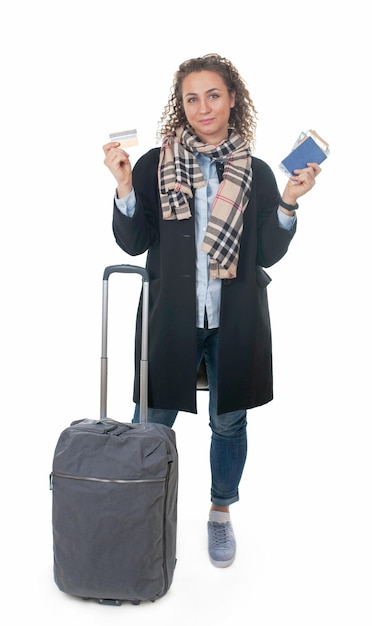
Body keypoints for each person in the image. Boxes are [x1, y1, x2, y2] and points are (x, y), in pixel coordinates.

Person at [103, 53, 321, 568]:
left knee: (229, 423)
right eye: (191, 98)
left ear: (233, 99)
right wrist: (123, 185)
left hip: (235, 319)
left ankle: (220, 512)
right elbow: (134, 243)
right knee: (150, 421)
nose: (203, 107)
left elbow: (266, 252)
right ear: (180, 106)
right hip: (169, 316)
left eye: (213, 95)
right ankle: (141, 513)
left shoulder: (256, 170)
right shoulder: (156, 164)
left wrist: (289, 200)